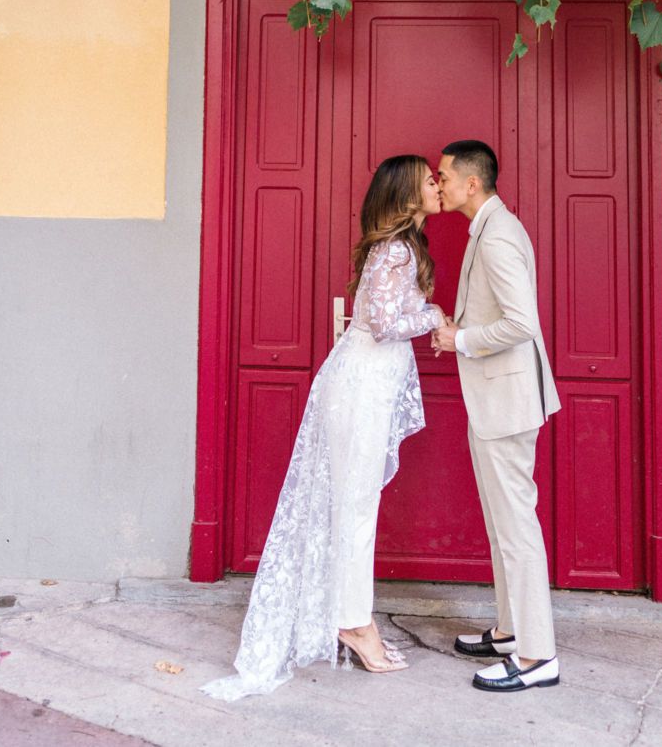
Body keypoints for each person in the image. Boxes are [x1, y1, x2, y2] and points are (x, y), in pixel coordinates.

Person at [201, 155, 445, 701]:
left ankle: (350, 616)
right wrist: (435, 317)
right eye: (429, 180)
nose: (437, 185)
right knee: (354, 509)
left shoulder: (400, 250)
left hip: (364, 386)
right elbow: (383, 326)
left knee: (353, 507)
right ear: (406, 196)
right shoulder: (398, 251)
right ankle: (355, 624)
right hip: (360, 388)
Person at [432, 139, 562, 694]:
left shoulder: (498, 235)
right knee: (501, 528)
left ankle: (537, 658)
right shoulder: (488, 226)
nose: (437, 183)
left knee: (517, 532)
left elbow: (521, 323)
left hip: (506, 405)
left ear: (471, 184)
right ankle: (510, 633)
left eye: (443, 176)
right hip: (496, 402)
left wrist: (460, 338)